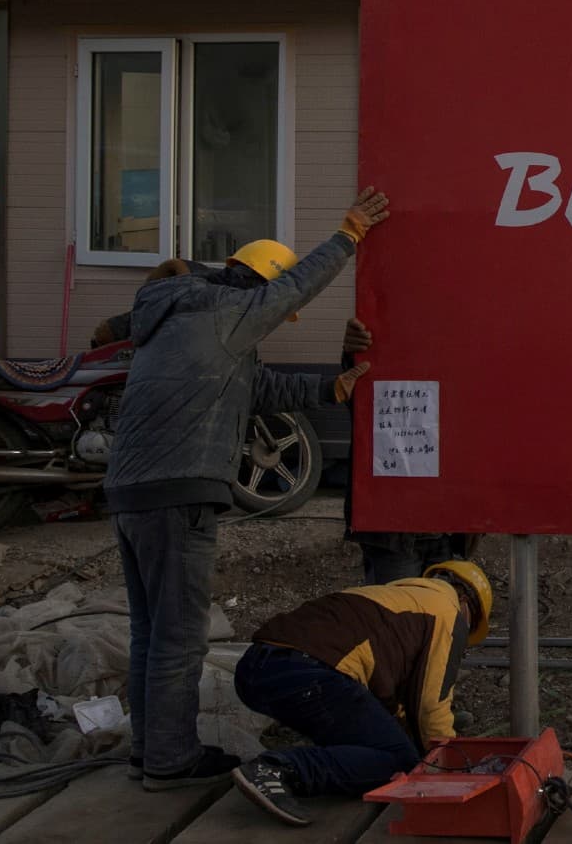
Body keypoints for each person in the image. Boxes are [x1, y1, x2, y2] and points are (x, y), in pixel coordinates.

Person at [101, 187, 390, 790]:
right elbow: (292, 289)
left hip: (132, 492)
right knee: (179, 638)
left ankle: (150, 752)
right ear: (253, 283)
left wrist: (328, 389)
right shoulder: (225, 311)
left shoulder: (183, 316)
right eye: (269, 303)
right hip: (177, 491)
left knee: (150, 632)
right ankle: (171, 763)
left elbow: (251, 390)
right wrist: (348, 235)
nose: (275, 317)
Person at [227, 560, 493, 826]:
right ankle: (278, 769)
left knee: (380, 742)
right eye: (470, 628)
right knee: (399, 759)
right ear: (465, 600)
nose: (464, 636)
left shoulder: (394, 599)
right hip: (309, 674)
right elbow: (430, 705)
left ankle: (290, 767)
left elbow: (383, 704)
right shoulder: (447, 612)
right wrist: (446, 763)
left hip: (256, 670)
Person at [337, 317, 477, 583]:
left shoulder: (459, 369)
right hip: (394, 533)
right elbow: (358, 393)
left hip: (447, 528)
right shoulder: (386, 363)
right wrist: (354, 353)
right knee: (398, 618)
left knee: (440, 619)